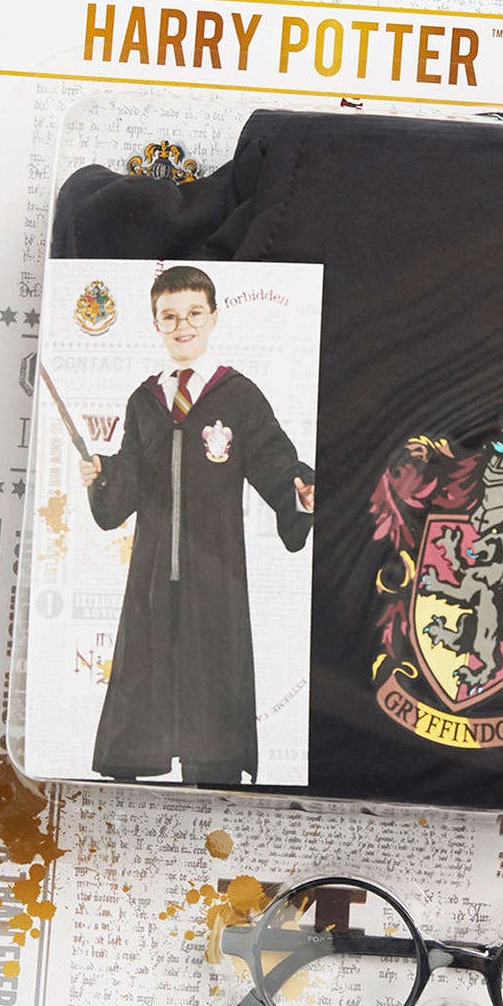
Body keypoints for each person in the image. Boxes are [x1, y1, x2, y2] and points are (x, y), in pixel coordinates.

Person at [79, 265, 315, 786]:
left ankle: (211, 773)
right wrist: (102, 476)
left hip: (214, 569)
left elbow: (273, 457)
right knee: (146, 666)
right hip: (153, 569)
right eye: (169, 316)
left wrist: (298, 489)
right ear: (155, 323)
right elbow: (128, 484)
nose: (182, 326)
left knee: (212, 671)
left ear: (213, 317)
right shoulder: (145, 400)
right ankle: (134, 767)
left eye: (193, 314)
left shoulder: (238, 394)